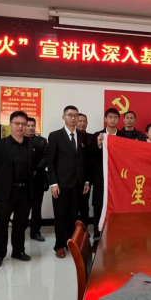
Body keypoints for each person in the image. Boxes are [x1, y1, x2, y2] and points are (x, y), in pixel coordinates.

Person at [0, 111, 35, 268]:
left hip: (24, 192)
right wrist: (3, 181)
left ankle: (18, 251)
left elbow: (33, 168)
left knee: (21, 224)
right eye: (17, 123)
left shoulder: (31, 145)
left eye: (23, 124)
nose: (20, 127)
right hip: (5, 192)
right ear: (10, 125)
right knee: (1, 224)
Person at [48, 105, 90, 258]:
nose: (73, 118)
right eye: (70, 115)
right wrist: (53, 183)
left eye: (76, 115)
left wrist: (86, 181)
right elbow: (51, 161)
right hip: (61, 184)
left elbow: (85, 161)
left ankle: (70, 243)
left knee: (74, 216)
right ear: (64, 117)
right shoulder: (55, 136)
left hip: (78, 184)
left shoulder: (82, 136)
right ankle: (59, 245)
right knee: (60, 215)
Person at [90, 108, 128, 240]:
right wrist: (99, 145)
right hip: (101, 178)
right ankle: (97, 236)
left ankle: (116, 235)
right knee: (99, 205)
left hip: (118, 179)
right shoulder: (97, 135)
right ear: (105, 119)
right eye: (110, 117)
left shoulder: (123, 137)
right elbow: (91, 157)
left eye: (115, 117)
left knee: (118, 205)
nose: (112, 120)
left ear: (119, 120)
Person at [24, 117, 48, 242]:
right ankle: (20, 231)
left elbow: (45, 157)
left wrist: (37, 170)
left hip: (38, 179)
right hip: (22, 181)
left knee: (36, 207)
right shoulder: (19, 140)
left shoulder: (42, 141)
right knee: (22, 208)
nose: (30, 128)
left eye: (32, 125)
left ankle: (35, 232)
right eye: (28, 125)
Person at [76, 113, 95, 229]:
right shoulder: (70, 137)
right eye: (80, 121)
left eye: (84, 121)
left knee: (84, 205)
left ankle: (84, 230)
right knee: (72, 206)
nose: (82, 123)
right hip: (71, 178)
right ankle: (73, 231)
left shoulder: (92, 138)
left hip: (86, 177)